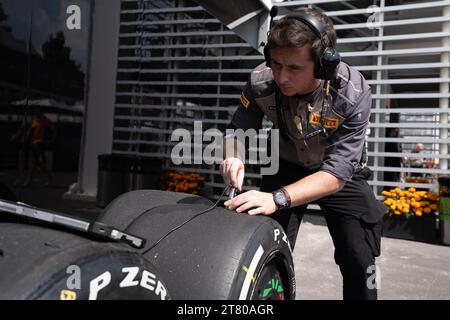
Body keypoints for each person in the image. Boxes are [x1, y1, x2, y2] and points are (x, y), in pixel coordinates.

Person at [220, 6, 385, 300]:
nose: (282, 77)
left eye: (294, 68)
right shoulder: (261, 81)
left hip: (341, 175)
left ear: (323, 65)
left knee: (359, 257)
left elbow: (335, 174)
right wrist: (233, 155)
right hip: (287, 165)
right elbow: (237, 129)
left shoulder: (353, 92)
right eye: (276, 64)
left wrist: (276, 198)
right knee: (265, 251)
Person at [23, 112, 56, 187]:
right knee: (36, 162)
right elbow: (30, 131)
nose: (37, 115)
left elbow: (54, 129)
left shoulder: (45, 121)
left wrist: (51, 140)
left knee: (34, 162)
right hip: (34, 143)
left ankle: (29, 180)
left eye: (38, 114)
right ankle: (49, 176)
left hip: (40, 143)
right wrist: (27, 139)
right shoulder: (35, 121)